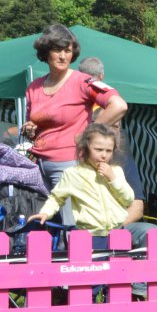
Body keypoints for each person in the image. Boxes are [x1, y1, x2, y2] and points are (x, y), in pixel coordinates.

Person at [22, 25, 127, 225]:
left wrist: (89, 134)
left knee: (71, 229)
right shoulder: (33, 87)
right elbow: (33, 128)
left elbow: (119, 105)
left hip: (70, 165)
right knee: (41, 229)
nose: (63, 56)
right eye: (57, 50)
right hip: (37, 167)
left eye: (67, 51)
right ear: (46, 52)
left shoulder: (84, 82)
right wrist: (30, 129)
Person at [28, 123, 134, 239]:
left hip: (117, 233)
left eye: (109, 151)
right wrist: (45, 213)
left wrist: (112, 178)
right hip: (89, 235)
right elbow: (56, 198)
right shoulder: (73, 174)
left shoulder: (116, 171)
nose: (104, 155)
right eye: (98, 150)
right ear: (86, 148)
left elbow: (128, 199)